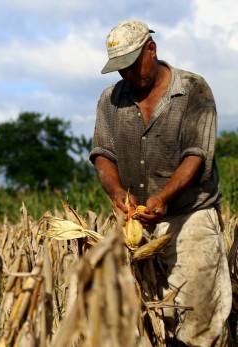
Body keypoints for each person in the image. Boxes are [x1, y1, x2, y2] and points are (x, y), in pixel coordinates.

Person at [90, 20, 232, 346]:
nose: (126, 74)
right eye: (119, 69)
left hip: (189, 214)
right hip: (136, 221)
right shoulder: (109, 100)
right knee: (145, 318)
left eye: (131, 65)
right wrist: (116, 192)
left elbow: (197, 155)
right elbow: (102, 154)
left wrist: (163, 197)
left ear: (151, 50)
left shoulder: (194, 90)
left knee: (199, 318)